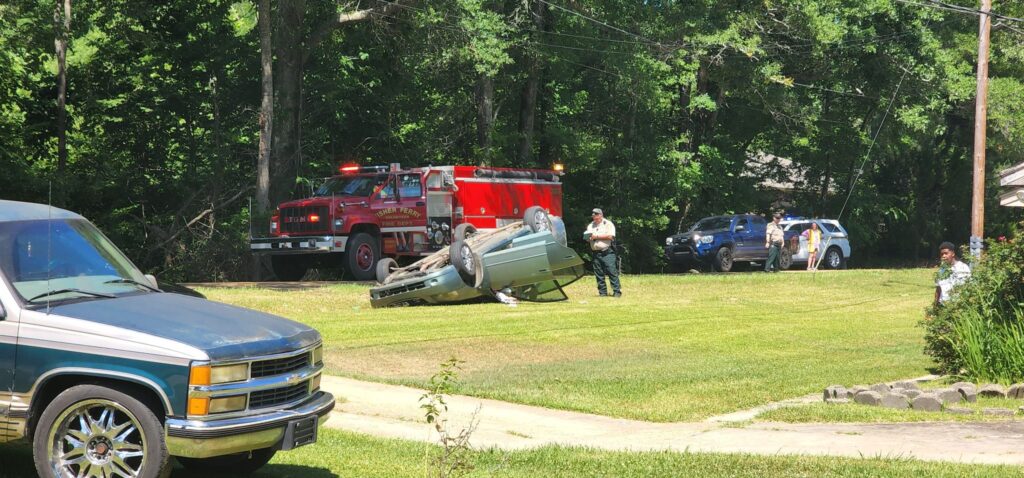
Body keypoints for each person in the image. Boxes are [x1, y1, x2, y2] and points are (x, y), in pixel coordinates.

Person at [584, 208, 621, 297]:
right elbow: (589, 237)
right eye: (593, 215)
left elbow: (610, 237)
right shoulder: (590, 225)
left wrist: (596, 236)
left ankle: (617, 292)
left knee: (612, 272)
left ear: (601, 215)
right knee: (598, 274)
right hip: (596, 253)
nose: (594, 217)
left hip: (607, 252)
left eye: (596, 215)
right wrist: (587, 238)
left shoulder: (608, 224)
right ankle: (602, 293)